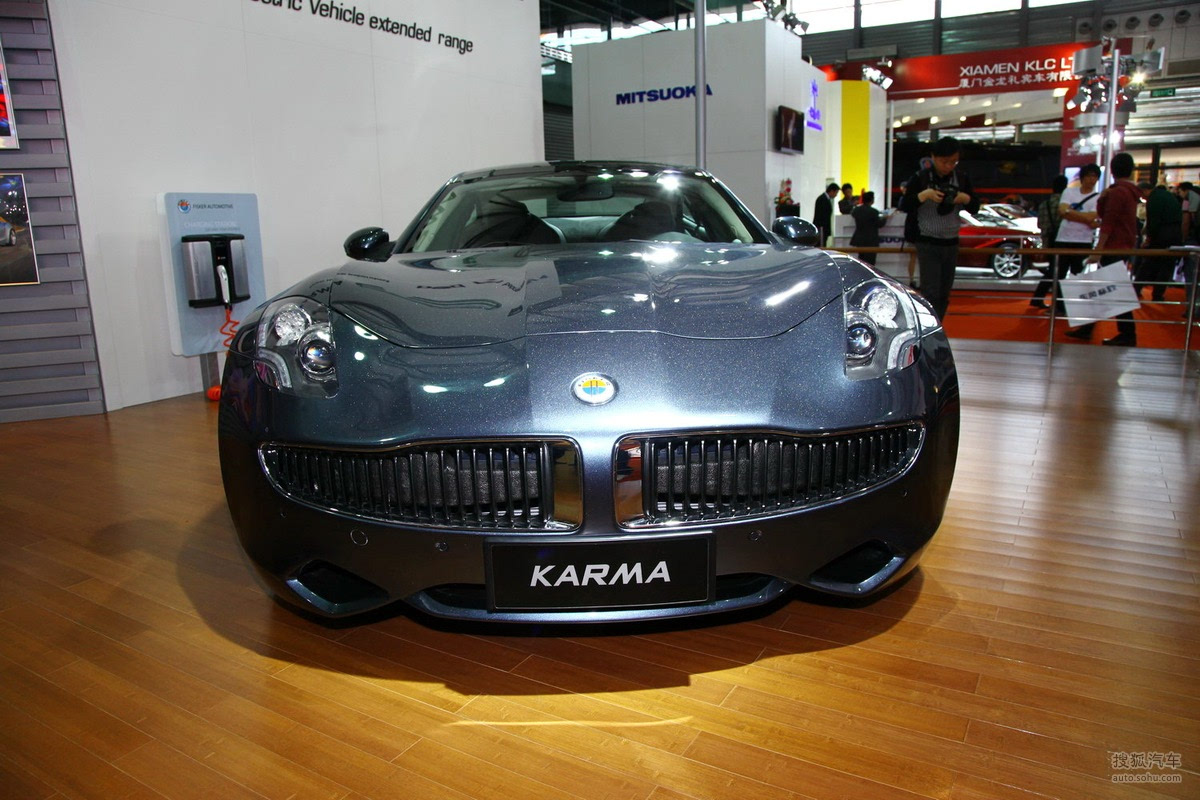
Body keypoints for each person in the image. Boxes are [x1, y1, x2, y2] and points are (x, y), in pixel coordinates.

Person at [1066, 152, 1142, 346]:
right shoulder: (1130, 192)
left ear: (1112, 170)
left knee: (1113, 290)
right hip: (1124, 246)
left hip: (1113, 247)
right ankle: (1091, 328)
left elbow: (1108, 222)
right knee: (1108, 288)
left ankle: (1126, 333)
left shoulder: (1117, 192)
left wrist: (1098, 249)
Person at [900, 137, 979, 319]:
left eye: (954, 162)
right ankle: (930, 327)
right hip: (927, 242)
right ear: (934, 157)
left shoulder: (961, 178)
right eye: (945, 161)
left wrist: (965, 199)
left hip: (951, 243)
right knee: (930, 292)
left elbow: (975, 206)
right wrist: (923, 195)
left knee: (944, 292)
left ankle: (938, 325)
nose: (949, 166)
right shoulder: (921, 178)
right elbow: (905, 205)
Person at [1035, 166, 1100, 311]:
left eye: (1095, 176)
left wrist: (1070, 214)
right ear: (1082, 177)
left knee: (1077, 276)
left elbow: (1088, 216)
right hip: (1063, 239)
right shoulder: (1069, 192)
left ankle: (1071, 306)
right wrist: (1085, 219)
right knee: (1059, 274)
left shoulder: (1097, 197)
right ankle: (1059, 306)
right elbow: (1063, 211)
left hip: (1083, 241)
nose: (1092, 179)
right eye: (1089, 176)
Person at [1029, 174, 1069, 307]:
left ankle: (1039, 298)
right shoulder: (1065, 205)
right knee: (1058, 272)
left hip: (1049, 241)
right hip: (1063, 241)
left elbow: (1040, 225)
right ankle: (1057, 303)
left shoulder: (1044, 205)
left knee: (1053, 270)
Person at [1138, 183, 1182, 302]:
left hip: (1160, 235)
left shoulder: (1154, 199)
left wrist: (1148, 239)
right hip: (1175, 234)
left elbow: (1153, 222)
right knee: (1166, 266)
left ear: (1145, 191)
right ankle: (1158, 294)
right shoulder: (1168, 195)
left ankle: (1136, 289)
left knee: (1148, 263)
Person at [849, 191, 889, 265]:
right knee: (870, 262)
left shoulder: (856, 210)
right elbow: (879, 224)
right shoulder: (874, 212)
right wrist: (885, 218)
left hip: (860, 239)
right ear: (872, 200)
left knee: (861, 261)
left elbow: (853, 214)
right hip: (871, 240)